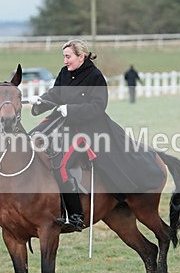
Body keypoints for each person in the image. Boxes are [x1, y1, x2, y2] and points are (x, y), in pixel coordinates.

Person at [27, 39, 165, 231]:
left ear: (81, 56)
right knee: (25, 142)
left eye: (68, 57)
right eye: (64, 57)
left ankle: (75, 215)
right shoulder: (64, 73)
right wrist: (40, 101)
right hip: (61, 122)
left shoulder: (95, 76)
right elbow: (55, 95)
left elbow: (98, 106)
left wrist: (71, 110)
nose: (65, 61)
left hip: (88, 129)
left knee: (61, 165)